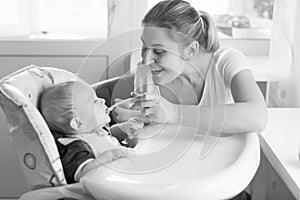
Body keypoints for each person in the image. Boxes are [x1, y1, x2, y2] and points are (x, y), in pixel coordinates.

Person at [116, 0, 267, 137]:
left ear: (190, 50)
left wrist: (173, 112)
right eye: (144, 46)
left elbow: (258, 117)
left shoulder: (225, 62)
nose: (146, 60)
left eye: (159, 51)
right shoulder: (147, 75)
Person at [40, 80, 143, 184]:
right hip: (112, 186)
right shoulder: (75, 146)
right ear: (77, 123)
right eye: (94, 101)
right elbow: (83, 173)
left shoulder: (95, 131)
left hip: (128, 175)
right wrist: (111, 155)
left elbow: (109, 136)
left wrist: (124, 128)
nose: (102, 100)